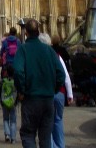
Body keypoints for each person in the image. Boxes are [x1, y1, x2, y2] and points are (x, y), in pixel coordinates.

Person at [13, 19, 62, 148]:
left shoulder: (23, 49)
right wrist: (53, 89)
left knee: (28, 134)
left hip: (31, 99)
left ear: (26, 33)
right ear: (38, 31)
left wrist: (21, 90)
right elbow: (61, 73)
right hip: (47, 99)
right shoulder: (49, 50)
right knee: (45, 137)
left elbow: (17, 71)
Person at [39, 32, 73, 148]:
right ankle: (60, 145)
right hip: (59, 93)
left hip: (46, 94)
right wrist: (70, 94)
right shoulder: (57, 56)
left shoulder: (38, 58)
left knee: (47, 122)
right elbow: (65, 75)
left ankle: (52, 146)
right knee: (58, 120)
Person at [0, 62, 18, 143]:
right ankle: (13, 138)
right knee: (13, 121)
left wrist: (1, 100)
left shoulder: (3, 81)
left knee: (6, 119)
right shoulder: (15, 82)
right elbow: (17, 92)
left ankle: (7, 134)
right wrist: (16, 102)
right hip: (13, 103)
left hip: (4, 103)